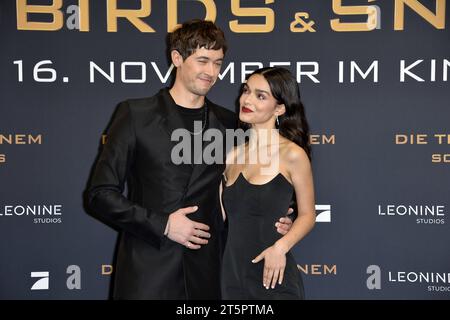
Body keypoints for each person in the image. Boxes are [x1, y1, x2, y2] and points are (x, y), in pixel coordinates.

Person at [85, 20, 293, 300]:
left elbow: (258, 183)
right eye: (203, 61)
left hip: (210, 274)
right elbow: (100, 195)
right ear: (177, 58)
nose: (211, 72)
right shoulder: (135, 115)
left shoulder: (232, 125)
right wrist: (164, 225)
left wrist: (279, 216)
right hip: (148, 272)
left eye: (218, 63)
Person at [220, 67, 316, 299]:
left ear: (280, 108)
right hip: (231, 277)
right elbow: (221, 217)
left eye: (260, 96)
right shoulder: (231, 155)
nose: (247, 99)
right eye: (246, 91)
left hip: (274, 276)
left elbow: (308, 214)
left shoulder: (292, 154)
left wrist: (280, 248)